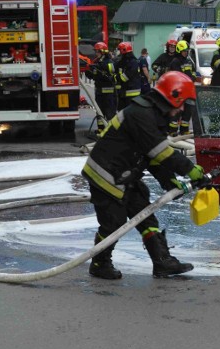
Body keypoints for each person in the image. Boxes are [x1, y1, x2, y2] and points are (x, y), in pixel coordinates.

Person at [83, 71, 206, 279]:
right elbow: (162, 152)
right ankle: (99, 263)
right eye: (183, 103)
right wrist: (190, 169)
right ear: (173, 96)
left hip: (124, 175)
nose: (183, 109)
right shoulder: (141, 115)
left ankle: (162, 262)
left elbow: (152, 155)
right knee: (113, 223)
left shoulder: (152, 114)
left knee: (146, 216)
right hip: (106, 175)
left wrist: (168, 180)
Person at [167, 41, 197, 136]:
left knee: (188, 111)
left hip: (188, 89)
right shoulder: (175, 62)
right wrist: (188, 78)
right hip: (178, 90)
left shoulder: (188, 61)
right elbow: (177, 76)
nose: (186, 52)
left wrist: (192, 78)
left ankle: (184, 130)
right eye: (184, 51)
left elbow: (193, 73)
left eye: (187, 51)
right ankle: (172, 130)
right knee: (177, 111)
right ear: (180, 50)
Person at [87, 42, 117, 129]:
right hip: (99, 93)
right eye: (96, 51)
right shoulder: (96, 62)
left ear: (103, 52)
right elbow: (94, 76)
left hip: (109, 94)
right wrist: (90, 73)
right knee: (99, 112)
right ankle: (101, 130)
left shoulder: (109, 62)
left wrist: (100, 71)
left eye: (97, 51)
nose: (96, 53)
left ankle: (112, 131)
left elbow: (111, 75)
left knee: (110, 112)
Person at [115, 42, 143, 111]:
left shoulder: (133, 62)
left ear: (123, 51)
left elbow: (124, 78)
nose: (118, 53)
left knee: (129, 114)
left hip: (132, 94)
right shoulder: (123, 61)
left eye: (119, 50)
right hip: (124, 93)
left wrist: (115, 77)